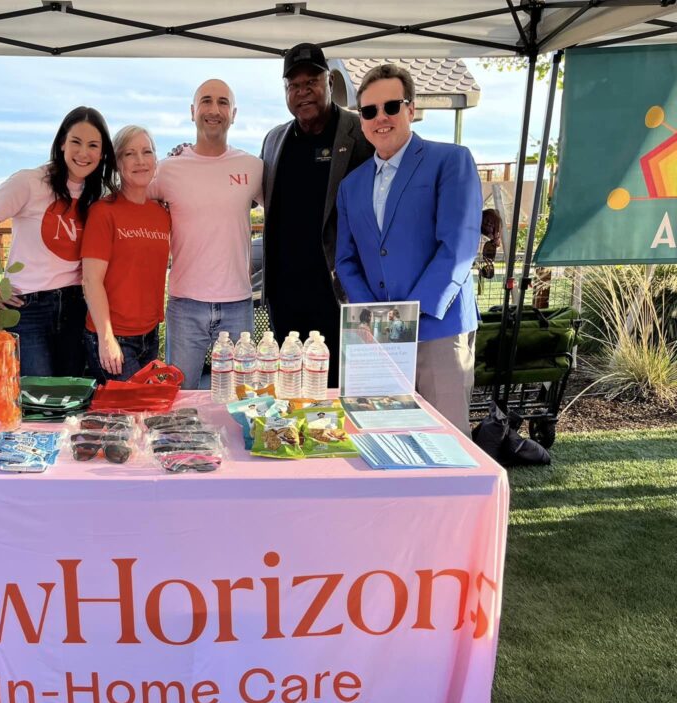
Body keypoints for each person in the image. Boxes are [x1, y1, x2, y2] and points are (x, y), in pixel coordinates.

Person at [336, 63, 482, 433]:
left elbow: (459, 246)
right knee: (384, 437)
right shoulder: (350, 186)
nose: (380, 118)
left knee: (447, 442)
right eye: (369, 111)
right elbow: (346, 259)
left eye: (391, 106)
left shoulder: (450, 160)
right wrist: (373, 316)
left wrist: (411, 319)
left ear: (411, 109)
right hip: (377, 336)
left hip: (439, 328)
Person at [0, 107, 117, 377]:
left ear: (102, 154)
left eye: (93, 145)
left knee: (71, 397)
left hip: (76, 305)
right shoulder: (30, 182)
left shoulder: (98, 194)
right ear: (62, 143)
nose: (83, 153)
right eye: (76, 142)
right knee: (35, 398)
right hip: (28, 309)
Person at [260, 42, 373, 388]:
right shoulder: (274, 140)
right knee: (290, 390)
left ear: (329, 82)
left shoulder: (361, 132)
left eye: (311, 82)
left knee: (339, 390)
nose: (302, 91)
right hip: (286, 296)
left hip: (338, 293)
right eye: (294, 85)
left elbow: (403, 176)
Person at [148, 79, 263, 389]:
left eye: (223, 102)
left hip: (238, 304)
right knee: (180, 398)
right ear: (193, 111)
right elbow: (128, 202)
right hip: (185, 305)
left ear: (234, 113)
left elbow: (288, 214)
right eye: (207, 101)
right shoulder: (167, 169)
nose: (215, 110)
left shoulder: (253, 167)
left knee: (243, 399)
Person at [81, 126, 171, 382]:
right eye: (130, 154)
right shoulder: (103, 212)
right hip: (115, 337)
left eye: (147, 152)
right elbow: (91, 280)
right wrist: (106, 338)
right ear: (118, 163)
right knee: (131, 416)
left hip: (150, 334)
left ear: (156, 159)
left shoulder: (162, 214)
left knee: (143, 415)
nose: (141, 160)